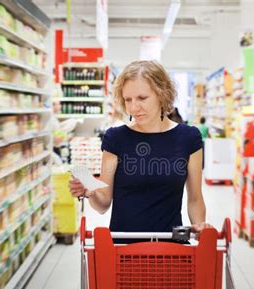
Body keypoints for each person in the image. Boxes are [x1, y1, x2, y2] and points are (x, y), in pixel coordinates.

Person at [69, 60, 211, 236]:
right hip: (123, 248)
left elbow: (195, 199)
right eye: (128, 99)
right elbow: (103, 204)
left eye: (142, 98)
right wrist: (91, 193)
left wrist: (200, 226)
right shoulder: (115, 138)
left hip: (171, 248)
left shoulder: (189, 138)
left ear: (162, 94)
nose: (134, 107)